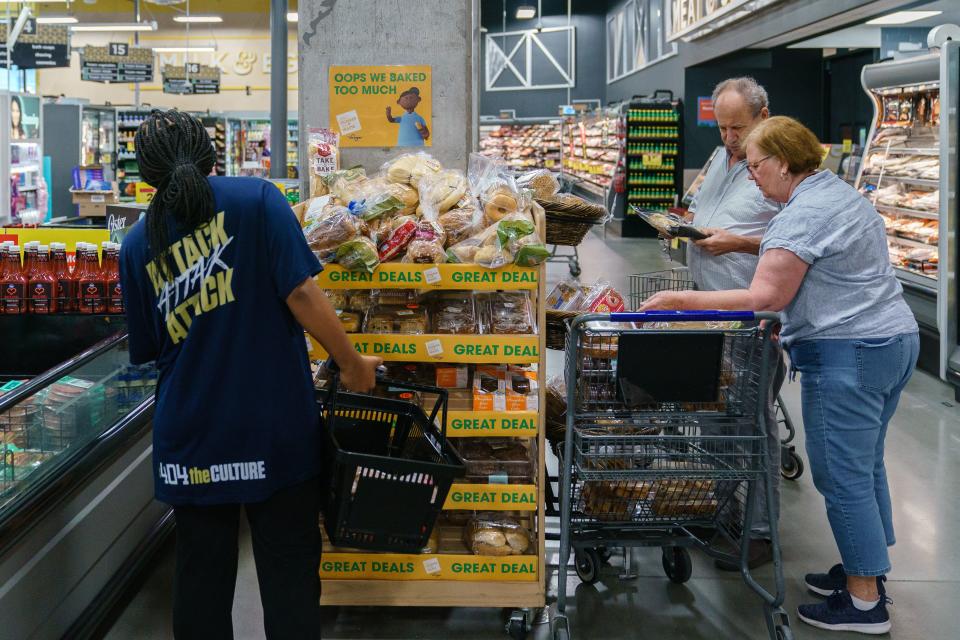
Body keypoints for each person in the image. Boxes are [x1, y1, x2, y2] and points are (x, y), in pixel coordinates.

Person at [642, 116, 919, 635]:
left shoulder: (803, 214)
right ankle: (866, 571)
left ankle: (863, 604)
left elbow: (766, 298)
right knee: (866, 467)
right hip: (892, 341)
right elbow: (797, 249)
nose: (752, 177)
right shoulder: (831, 192)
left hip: (847, 352)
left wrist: (682, 300)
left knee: (841, 475)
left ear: (784, 162)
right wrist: (745, 245)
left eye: (756, 167)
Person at [120, 109, 382, 639]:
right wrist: (353, 365)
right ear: (212, 154)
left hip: (192, 438)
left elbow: (149, 349)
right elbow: (302, 292)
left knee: (200, 582)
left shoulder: (136, 245)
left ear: (146, 177)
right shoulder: (259, 200)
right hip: (275, 429)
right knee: (289, 580)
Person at [683, 76, 784, 570]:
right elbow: (702, 209)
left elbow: (798, 240)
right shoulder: (721, 157)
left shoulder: (781, 166)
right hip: (707, 305)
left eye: (736, 128)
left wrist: (737, 243)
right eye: (721, 127)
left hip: (751, 313)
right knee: (714, 415)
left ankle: (760, 531)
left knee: (753, 423)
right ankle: (723, 509)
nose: (727, 138)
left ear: (763, 117)